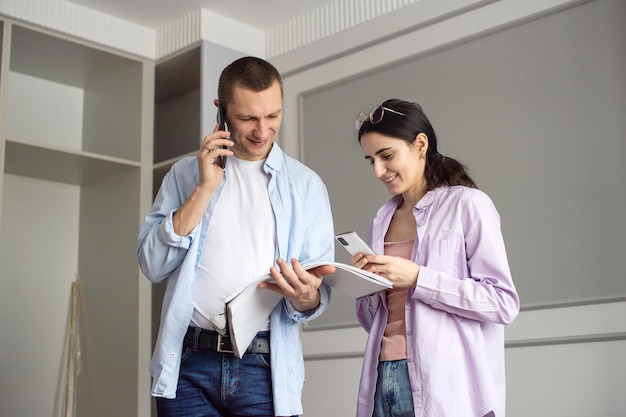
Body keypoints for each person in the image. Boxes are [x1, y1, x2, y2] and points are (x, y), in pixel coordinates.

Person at [137, 56, 336, 417]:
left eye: (273, 116)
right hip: (188, 364)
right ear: (222, 111)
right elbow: (152, 265)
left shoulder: (307, 187)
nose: (262, 131)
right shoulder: (183, 176)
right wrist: (203, 189)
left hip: (264, 368)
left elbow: (314, 297)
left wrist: (307, 296)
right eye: (247, 118)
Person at [351, 99, 520, 417]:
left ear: (420, 144)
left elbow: (502, 302)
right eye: (370, 160)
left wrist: (418, 278)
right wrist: (365, 284)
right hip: (382, 377)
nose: (378, 171)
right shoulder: (381, 219)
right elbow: (370, 321)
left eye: (386, 156)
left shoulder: (468, 205)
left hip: (445, 385)